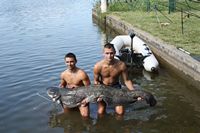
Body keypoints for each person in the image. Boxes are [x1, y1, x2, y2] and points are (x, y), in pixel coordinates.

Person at [93, 43, 138, 116]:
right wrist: (98, 94)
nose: (109, 56)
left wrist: (134, 92)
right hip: (103, 88)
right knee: (100, 112)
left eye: (111, 53)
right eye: (107, 53)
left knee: (120, 113)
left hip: (116, 88)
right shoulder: (98, 66)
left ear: (115, 53)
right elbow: (96, 81)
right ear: (103, 54)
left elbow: (126, 81)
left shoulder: (121, 65)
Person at [59, 52, 91, 117]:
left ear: (76, 61)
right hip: (69, 97)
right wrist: (57, 94)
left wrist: (86, 100)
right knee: (66, 114)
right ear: (65, 62)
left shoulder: (82, 74)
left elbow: (90, 88)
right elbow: (62, 86)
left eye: (71, 61)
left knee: (85, 116)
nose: (69, 64)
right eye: (67, 62)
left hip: (82, 98)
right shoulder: (63, 74)